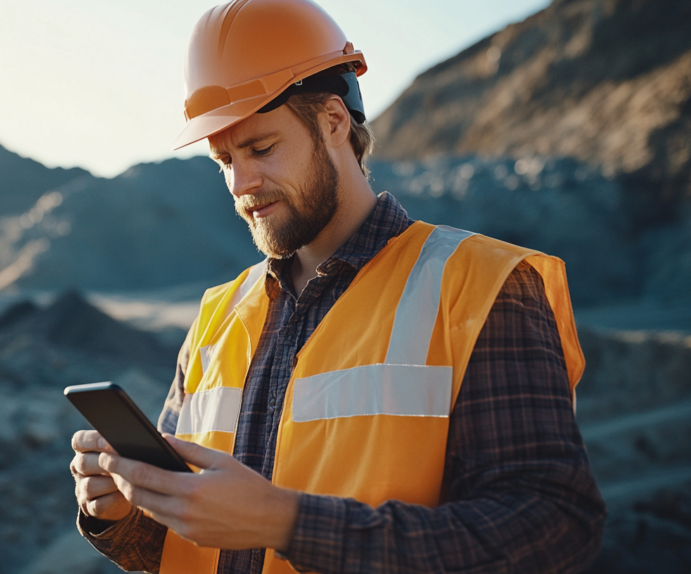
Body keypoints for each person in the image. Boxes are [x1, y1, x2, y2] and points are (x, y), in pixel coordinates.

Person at [69, 0, 606, 572]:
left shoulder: (481, 287)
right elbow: (188, 540)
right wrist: (124, 514)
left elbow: (553, 529)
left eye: (261, 148)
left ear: (332, 120)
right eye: (223, 159)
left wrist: (286, 524)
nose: (240, 183)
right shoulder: (217, 314)